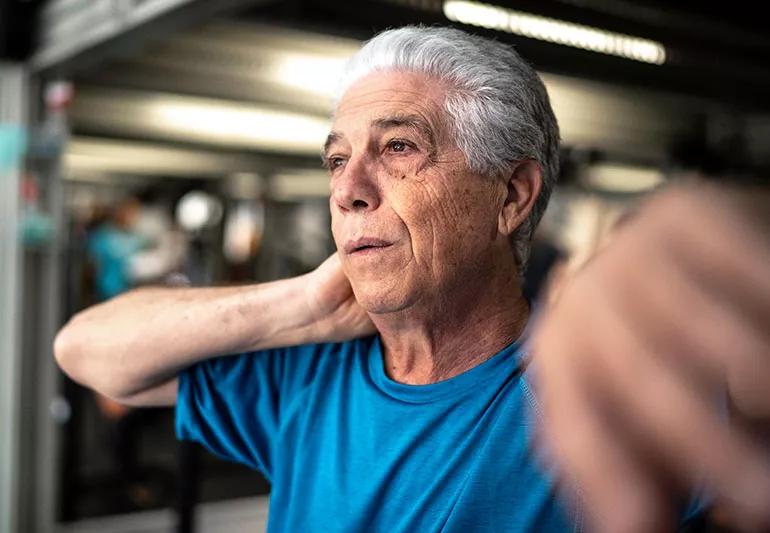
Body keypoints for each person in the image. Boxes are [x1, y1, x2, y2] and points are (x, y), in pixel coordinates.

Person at [53, 26, 770, 532]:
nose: (349, 189)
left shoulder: (608, 384)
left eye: (398, 148)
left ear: (512, 197)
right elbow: (87, 350)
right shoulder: (307, 372)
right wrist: (302, 300)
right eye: (337, 160)